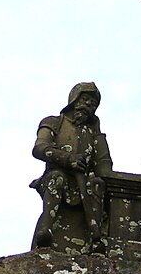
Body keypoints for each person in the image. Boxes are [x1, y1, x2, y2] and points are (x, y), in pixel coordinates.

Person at [30, 82, 113, 253]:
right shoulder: (53, 122)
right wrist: (68, 159)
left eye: (93, 103)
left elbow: (104, 165)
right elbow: (39, 148)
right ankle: (45, 230)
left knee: (97, 184)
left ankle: (96, 237)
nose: (89, 104)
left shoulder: (94, 133)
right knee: (57, 178)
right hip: (57, 176)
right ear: (74, 99)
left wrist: (98, 135)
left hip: (84, 182)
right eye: (85, 99)